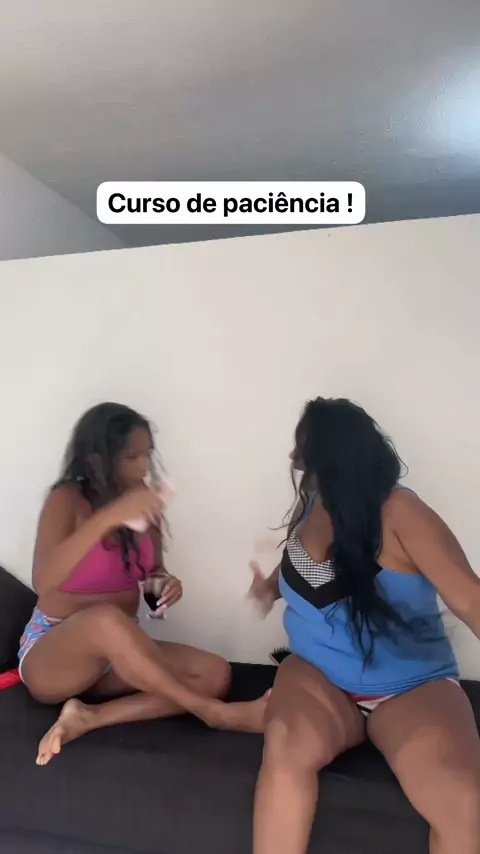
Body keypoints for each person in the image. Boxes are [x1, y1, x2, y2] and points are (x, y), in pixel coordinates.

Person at [248, 397, 480, 854]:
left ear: (330, 455)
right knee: (286, 746)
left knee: (463, 802)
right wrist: (269, 589)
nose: (293, 457)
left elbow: (471, 599)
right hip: (318, 678)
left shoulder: (398, 511)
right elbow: (303, 564)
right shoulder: (312, 502)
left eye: (302, 448)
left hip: (411, 688)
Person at [20, 402, 266, 766]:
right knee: (105, 618)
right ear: (97, 460)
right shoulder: (67, 500)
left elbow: (152, 577)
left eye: (147, 455)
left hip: (118, 651)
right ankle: (214, 713)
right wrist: (108, 518)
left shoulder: (145, 506)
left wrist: (164, 586)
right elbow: (44, 582)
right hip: (54, 655)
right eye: (132, 457)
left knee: (215, 673)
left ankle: (88, 717)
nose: (145, 468)